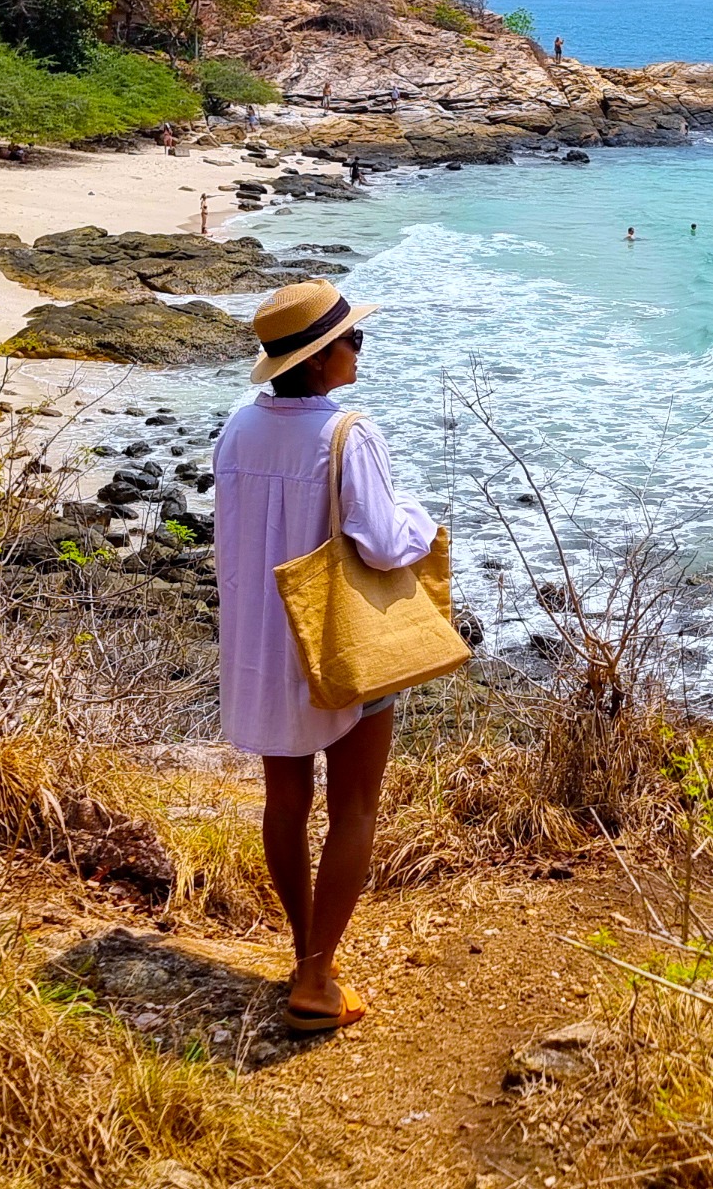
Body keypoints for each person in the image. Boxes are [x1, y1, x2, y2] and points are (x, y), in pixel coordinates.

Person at [212, 280, 436, 1033]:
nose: (358, 349)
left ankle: (310, 950)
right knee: (356, 806)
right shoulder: (349, 433)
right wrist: (424, 524)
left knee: (285, 801)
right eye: (352, 340)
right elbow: (380, 538)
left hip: (264, 641)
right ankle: (314, 979)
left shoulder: (239, 430)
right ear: (317, 361)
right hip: (340, 636)